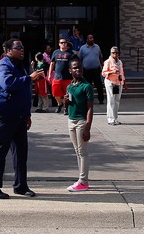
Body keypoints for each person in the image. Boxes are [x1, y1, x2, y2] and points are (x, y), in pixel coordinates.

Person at [0, 39, 40, 199]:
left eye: (23, 47)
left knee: (21, 153)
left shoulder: (20, 66)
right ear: (8, 50)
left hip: (19, 115)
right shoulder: (3, 65)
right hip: (3, 114)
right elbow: (8, 84)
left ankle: (21, 186)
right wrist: (29, 78)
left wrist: (27, 114)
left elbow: (25, 92)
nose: (22, 50)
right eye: (18, 48)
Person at [65, 59, 94, 192]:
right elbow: (68, 107)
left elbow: (90, 108)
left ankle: (83, 181)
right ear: (70, 70)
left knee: (83, 152)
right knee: (77, 152)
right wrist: (65, 102)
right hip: (71, 121)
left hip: (81, 121)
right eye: (75, 68)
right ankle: (81, 179)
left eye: (80, 68)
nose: (78, 70)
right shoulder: (70, 86)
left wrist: (88, 127)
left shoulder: (86, 86)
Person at [48, 38, 74, 114]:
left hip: (67, 77)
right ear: (59, 44)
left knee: (67, 94)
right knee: (55, 93)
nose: (63, 44)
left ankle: (66, 108)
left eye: (65, 42)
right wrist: (49, 74)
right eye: (62, 43)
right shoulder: (56, 52)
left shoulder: (70, 53)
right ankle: (60, 104)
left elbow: (74, 64)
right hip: (57, 77)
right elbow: (52, 63)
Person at [77, 34, 104, 105]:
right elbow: (79, 59)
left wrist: (103, 67)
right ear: (87, 39)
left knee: (99, 85)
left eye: (92, 38)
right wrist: (80, 69)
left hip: (96, 69)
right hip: (86, 70)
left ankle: (101, 99)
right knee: (87, 86)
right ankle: (88, 99)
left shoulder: (97, 47)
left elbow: (100, 57)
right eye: (90, 38)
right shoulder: (83, 48)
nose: (91, 39)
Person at [102, 46, 125, 125]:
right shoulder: (107, 62)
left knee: (117, 101)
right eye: (113, 53)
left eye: (116, 53)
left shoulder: (120, 62)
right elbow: (104, 73)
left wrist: (124, 82)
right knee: (111, 100)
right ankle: (110, 119)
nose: (115, 54)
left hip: (119, 82)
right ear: (111, 53)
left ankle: (115, 118)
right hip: (110, 82)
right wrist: (112, 72)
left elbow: (122, 73)